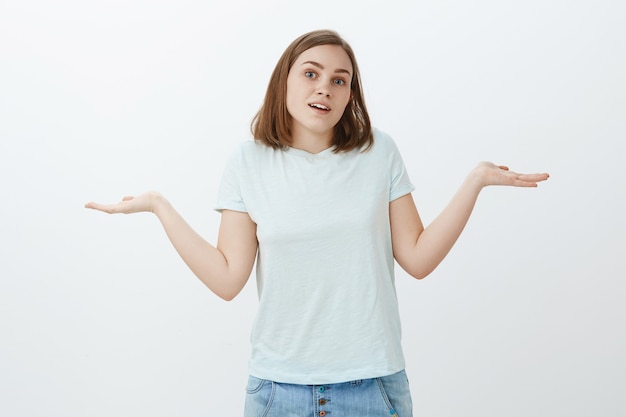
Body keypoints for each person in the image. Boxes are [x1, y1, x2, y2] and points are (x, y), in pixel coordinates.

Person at [85, 29, 549, 417]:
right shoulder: (248, 162)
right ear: (284, 81)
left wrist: (475, 182)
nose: (324, 87)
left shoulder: (378, 153)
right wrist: (159, 206)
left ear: (350, 95)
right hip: (277, 391)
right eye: (311, 73)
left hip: (373, 387)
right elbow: (228, 279)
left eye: (339, 80)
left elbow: (418, 258)